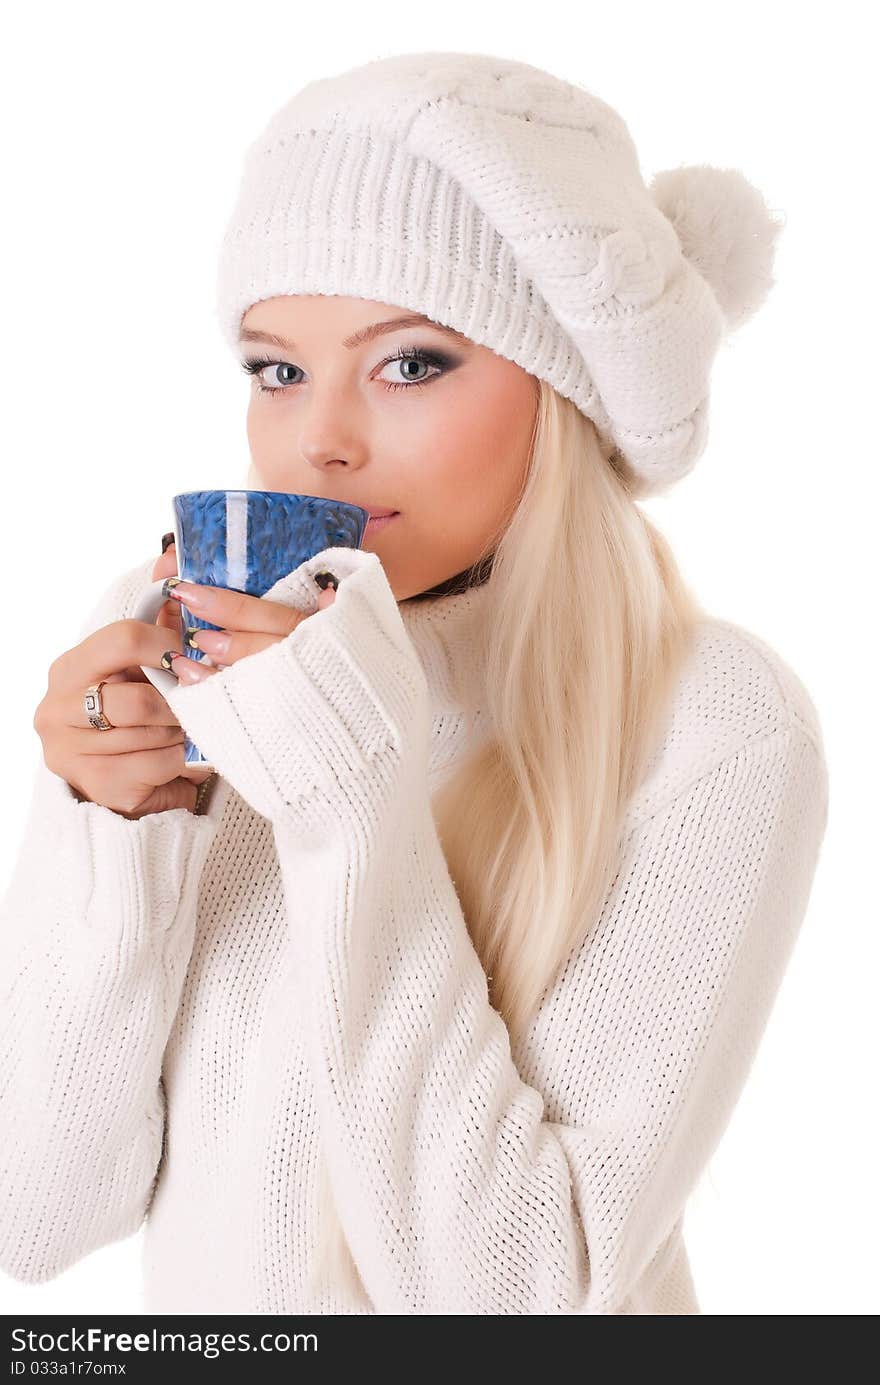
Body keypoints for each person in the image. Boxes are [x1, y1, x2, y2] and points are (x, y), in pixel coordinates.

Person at [0, 51, 829, 1315]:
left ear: (567, 393)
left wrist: (342, 792)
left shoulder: (707, 722)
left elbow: (510, 1301)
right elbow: (36, 1213)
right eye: (277, 369)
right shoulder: (181, 645)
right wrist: (122, 833)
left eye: (411, 363)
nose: (319, 436)